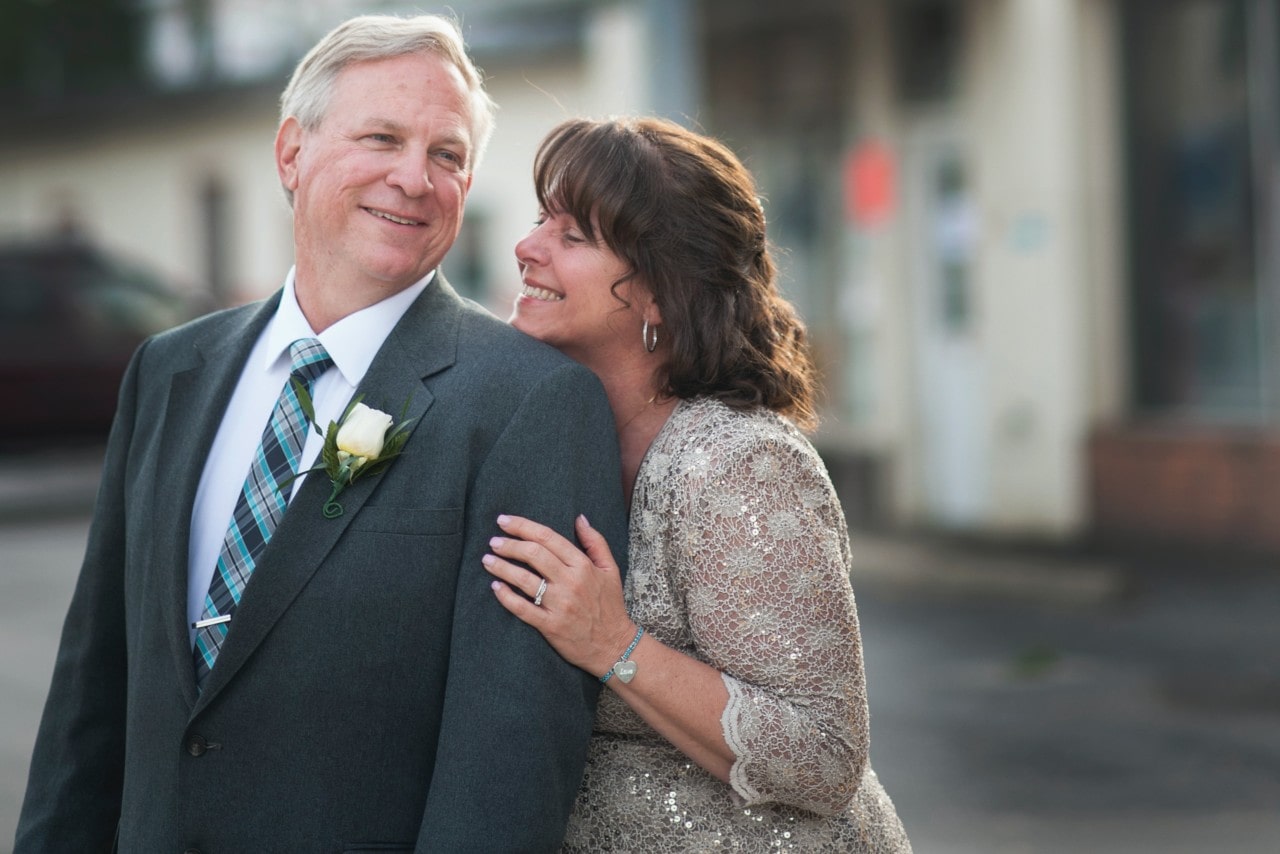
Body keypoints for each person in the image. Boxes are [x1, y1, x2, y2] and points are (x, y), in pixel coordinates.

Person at [15, 15, 627, 853]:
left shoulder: (530, 403)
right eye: (382, 137)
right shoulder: (168, 370)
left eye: (446, 155)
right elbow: (93, 692)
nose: (414, 178)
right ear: (290, 153)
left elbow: (509, 762)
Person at [485, 117, 913, 852]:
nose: (527, 248)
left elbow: (823, 755)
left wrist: (613, 642)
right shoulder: (541, 436)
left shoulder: (740, 465)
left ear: (660, 293)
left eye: (573, 236)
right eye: (538, 221)